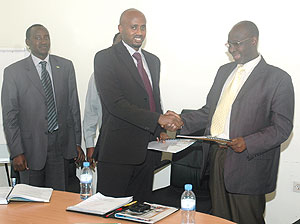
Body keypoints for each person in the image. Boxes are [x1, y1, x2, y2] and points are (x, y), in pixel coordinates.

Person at [175, 21, 294, 224]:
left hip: (249, 164)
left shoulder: (278, 78)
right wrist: (180, 121)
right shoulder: (224, 71)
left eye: (237, 43)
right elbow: (209, 113)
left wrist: (248, 142)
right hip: (217, 157)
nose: (231, 49)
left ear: (253, 41)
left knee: (247, 219)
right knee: (219, 220)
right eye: (229, 44)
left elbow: (282, 127)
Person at [93, 8, 183, 201]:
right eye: (134, 27)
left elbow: (152, 99)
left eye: (143, 27)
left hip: (148, 152)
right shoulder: (104, 58)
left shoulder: (153, 60)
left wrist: (160, 128)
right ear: (121, 28)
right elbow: (115, 104)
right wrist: (158, 118)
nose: (139, 32)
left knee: (141, 212)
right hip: (117, 153)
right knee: (110, 212)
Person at [1, 24, 85, 190]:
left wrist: (76, 142)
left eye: (46, 37)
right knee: (31, 203)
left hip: (60, 147)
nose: (43, 41)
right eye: (37, 38)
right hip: (29, 149)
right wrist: (16, 152)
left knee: (58, 199)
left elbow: (73, 108)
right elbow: (10, 117)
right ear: (28, 42)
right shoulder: (13, 72)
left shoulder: (65, 67)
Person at [83, 32, 122, 169]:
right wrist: (90, 145)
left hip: (138, 148)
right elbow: (91, 112)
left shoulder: (142, 74)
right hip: (108, 143)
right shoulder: (97, 76)